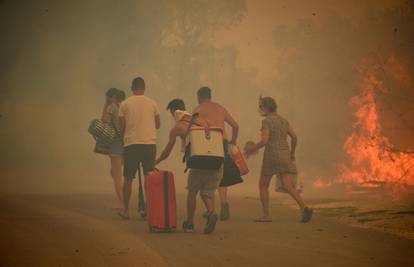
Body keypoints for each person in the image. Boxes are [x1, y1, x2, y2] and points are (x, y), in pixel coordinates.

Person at [155, 98, 221, 234]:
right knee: (207, 192)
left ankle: (190, 223)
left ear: (174, 112)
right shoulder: (202, 119)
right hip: (215, 161)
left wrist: (156, 162)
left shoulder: (178, 127)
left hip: (198, 163)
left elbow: (167, 152)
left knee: (192, 191)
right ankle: (211, 213)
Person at [244, 96, 313, 223]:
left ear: (266, 107)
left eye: (261, 106)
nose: (260, 109)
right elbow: (294, 137)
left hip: (272, 156)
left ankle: (266, 216)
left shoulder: (267, 121)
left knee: (263, 185)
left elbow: (265, 140)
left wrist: (252, 148)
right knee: (288, 186)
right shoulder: (284, 121)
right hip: (285, 155)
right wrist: (292, 153)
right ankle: (304, 208)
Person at [193, 87, 241, 221]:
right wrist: (233, 141)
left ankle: (211, 210)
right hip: (223, 143)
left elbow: (194, 128)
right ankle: (224, 202)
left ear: (199, 96)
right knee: (222, 176)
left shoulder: (198, 109)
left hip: (208, 145)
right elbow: (236, 126)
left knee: (210, 176)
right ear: (210, 95)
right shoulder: (220, 108)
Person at [118, 77, 160, 219]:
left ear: (132, 88)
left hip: (131, 144)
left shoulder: (124, 104)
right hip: (149, 144)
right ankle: (150, 210)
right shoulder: (153, 103)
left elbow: (121, 127)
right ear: (144, 87)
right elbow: (158, 124)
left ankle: (125, 210)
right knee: (149, 177)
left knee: (128, 178)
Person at [98, 88, 125, 210]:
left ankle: (122, 203)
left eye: (108, 97)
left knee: (116, 175)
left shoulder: (112, 107)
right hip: (125, 143)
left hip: (115, 144)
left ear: (112, 97)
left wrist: (105, 104)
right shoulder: (122, 107)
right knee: (115, 173)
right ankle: (123, 200)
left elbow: (104, 120)